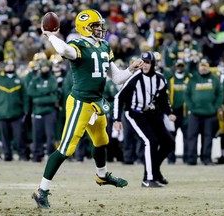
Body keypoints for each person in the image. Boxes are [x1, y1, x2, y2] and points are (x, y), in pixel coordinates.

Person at [32, 9, 144, 208]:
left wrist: (130, 70)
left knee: (102, 140)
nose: (100, 29)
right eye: (95, 25)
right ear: (85, 27)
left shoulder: (104, 46)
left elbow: (117, 78)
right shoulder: (78, 45)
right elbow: (64, 51)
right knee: (67, 148)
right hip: (80, 103)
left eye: (100, 25)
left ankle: (102, 176)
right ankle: (41, 190)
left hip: (96, 103)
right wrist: (51, 36)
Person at [113, 51, 176, 188]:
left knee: (169, 143)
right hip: (135, 113)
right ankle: (148, 179)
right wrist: (116, 119)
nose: (145, 65)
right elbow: (119, 97)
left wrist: (169, 113)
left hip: (152, 113)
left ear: (153, 64)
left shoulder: (159, 78)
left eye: (147, 63)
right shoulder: (135, 77)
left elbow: (163, 99)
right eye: (143, 62)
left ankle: (155, 171)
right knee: (150, 141)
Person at [0, 59, 29, 161]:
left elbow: (25, 96)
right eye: (8, 65)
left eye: (11, 65)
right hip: (2, 113)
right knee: (4, 137)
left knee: (19, 136)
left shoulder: (20, 80)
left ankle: (22, 155)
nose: (10, 67)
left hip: (17, 113)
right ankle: (7, 155)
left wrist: (26, 110)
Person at [185, 58, 223, 165]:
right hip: (195, 114)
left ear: (209, 67)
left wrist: (214, 107)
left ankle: (206, 158)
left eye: (205, 65)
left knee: (208, 137)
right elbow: (186, 94)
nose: (204, 67)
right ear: (198, 67)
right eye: (201, 65)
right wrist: (191, 107)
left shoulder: (215, 79)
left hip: (209, 114)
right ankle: (191, 159)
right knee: (192, 136)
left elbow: (220, 94)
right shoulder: (193, 79)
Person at [27, 60, 59, 162]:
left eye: (47, 67)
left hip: (50, 111)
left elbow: (54, 96)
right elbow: (31, 92)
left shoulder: (52, 79)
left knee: (50, 135)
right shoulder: (35, 79)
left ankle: (50, 156)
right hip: (37, 111)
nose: (45, 68)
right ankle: (37, 156)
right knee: (37, 135)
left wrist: (39, 95)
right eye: (43, 67)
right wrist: (46, 94)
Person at [166, 59, 190, 164]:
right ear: (175, 66)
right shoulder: (170, 79)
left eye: (181, 66)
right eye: (178, 65)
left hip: (185, 112)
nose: (180, 67)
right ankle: (171, 158)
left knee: (187, 136)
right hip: (173, 112)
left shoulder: (189, 79)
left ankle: (187, 158)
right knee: (171, 136)